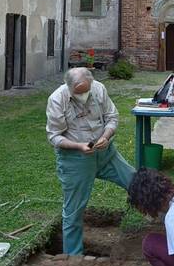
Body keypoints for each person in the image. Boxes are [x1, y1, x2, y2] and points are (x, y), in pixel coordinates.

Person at [46, 67, 135, 255]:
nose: (83, 96)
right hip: (76, 161)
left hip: (106, 154)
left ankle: (156, 225)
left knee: (136, 181)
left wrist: (106, 135)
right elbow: (54, 137)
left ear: (91, 83)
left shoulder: (99, 89)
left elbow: (112, 117)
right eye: (78, 92)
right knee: (74, 211)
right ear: (68, 87)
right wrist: (79, 146)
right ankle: (73, 257)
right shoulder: (57, 99)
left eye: (86, 90)